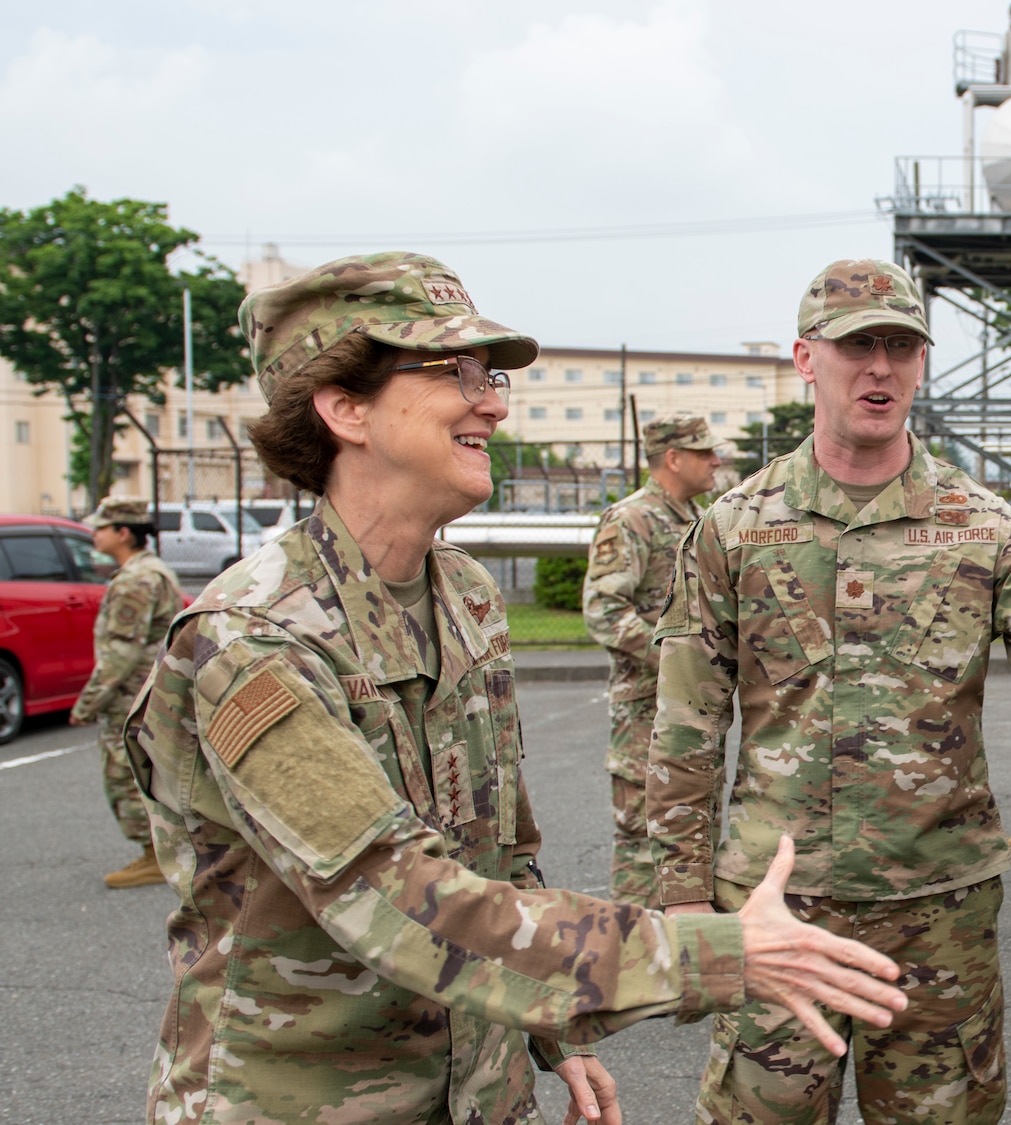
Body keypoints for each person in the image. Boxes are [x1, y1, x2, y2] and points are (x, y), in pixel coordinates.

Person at [126, 252, 908, 1125]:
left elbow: (498, 853)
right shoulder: (253, 637)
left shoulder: (462, 594)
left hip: (476, 1093)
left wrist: (555, 1035)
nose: (494, 401)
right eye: (455, 372)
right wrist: (717, 953)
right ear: (345, 408)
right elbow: (397, 895)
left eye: (490, 374)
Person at [647, 258, 1011, 1125]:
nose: (880, 367)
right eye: (856, 346)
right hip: (778, 907)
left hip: (937, 912)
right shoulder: (738, 524)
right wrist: (682, 895)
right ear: (807, 358)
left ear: (921, 362)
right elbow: (687, 716)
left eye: (902, 346)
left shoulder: (980, 523)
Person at [583, 413, 722, 905]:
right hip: (646, 709)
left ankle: (681, 962)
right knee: (645, 845)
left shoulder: (696, 518)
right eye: (705, 452)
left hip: (690, 712)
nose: (716, 461)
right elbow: (602, 608)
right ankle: (630, 964)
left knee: (690, 835)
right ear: (673, 458)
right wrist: (673, 662)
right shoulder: (632, 519)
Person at [67, 496, 181, 889]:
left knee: (125, 772)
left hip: (132, 696)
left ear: (123, 533)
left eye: (101, 528)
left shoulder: (136, 579)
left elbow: (122, 650)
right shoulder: (149, 571)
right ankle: (156, 851)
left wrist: (88, 702)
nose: (93, 535)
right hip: (149, 692)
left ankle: (154, 855)